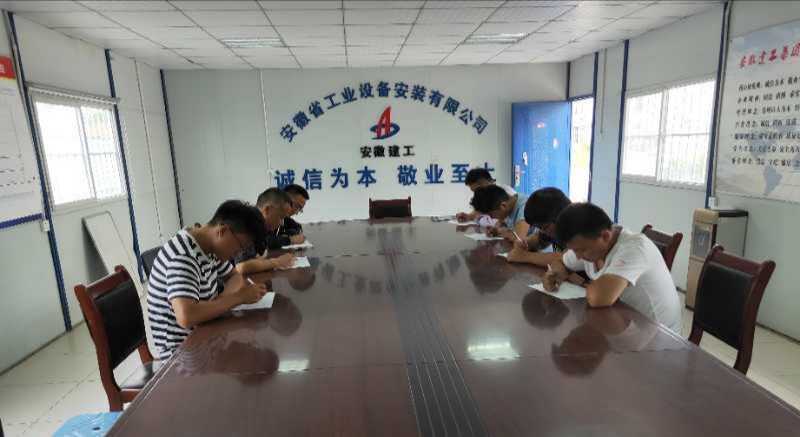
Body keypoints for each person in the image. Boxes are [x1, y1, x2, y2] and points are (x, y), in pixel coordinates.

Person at [147, 200, 270, 360]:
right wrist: (239, 298)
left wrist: (219, 302)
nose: (238, 254)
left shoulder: (208, 247)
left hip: (206, 335)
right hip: (182, 355)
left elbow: (235, 277)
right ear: (223, 231)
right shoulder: (184, 257)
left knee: (256, 342)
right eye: (240, 247)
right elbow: (187, 316)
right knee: (251, 360)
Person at [542, 203, 681, 333]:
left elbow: (599, 298)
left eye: (581, 250)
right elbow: (560, 262)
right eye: (574, 250)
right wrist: (556, 274)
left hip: (661, 338)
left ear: (605, 236)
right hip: (627, 323)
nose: (578, 257)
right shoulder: (591, 245)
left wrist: (583, 283)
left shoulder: (635, 248)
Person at [507, 187, 571, 267]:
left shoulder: (578, 227)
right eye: (540, 228)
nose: (543, 231)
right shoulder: (553, 226)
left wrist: (524, 256)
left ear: (559, 217)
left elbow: (566, 259)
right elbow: (538, 239)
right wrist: (524, 243)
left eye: (545, 227)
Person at [237, 188, 296, 274]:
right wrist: (277, 262)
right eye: (281, 217)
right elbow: (240, 267)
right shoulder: (246, 224)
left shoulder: (264, 226)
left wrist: (259, 262)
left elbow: (260, 256)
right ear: (267, 210)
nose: (282, 223)